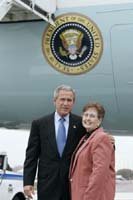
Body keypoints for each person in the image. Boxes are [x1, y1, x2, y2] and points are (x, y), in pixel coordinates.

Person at [23, 85, 86, 200]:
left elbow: (93, 143)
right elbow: (31, 155)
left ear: (73, 102)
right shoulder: (39, 124)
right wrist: (28, 181)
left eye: (69, 100)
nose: (65, 103)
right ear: (54, 101)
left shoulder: (81, 124)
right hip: (47, 184)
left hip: (71, 184)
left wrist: (108, 141)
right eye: (62, 99)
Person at [69, 102, 115, 200]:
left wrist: (89, 197)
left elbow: (99, 174)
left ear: (99, 120)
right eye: (86, 115)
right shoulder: (86, 138)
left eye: (92, 116)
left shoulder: (101, 138)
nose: (87, 118)